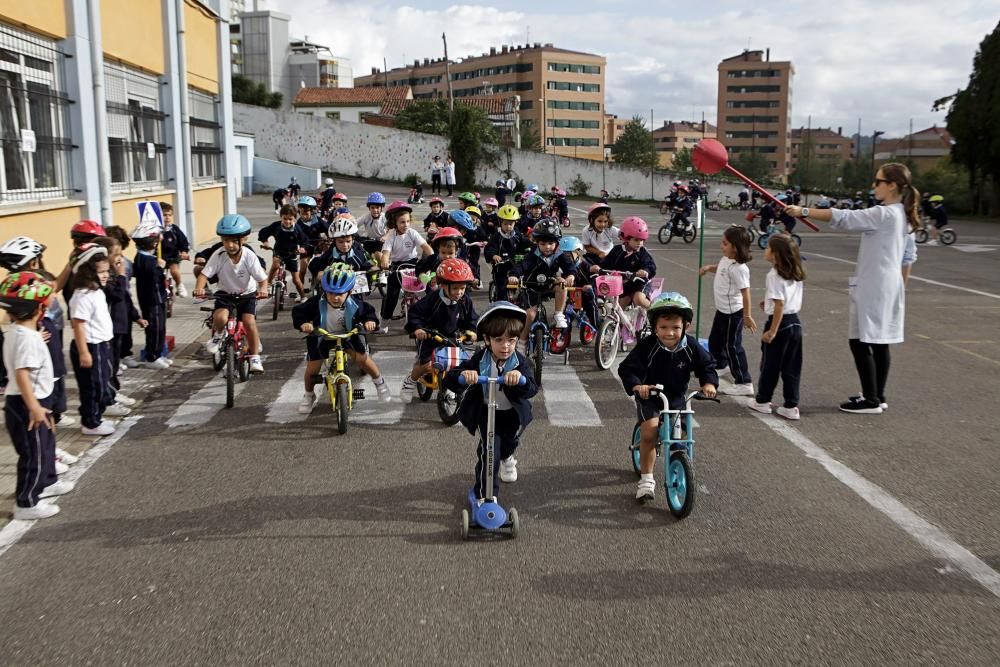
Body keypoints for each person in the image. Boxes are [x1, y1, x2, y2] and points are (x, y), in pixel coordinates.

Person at [784, 163, 917, 414]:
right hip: (889, 285)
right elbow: (909, 258)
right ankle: (877, 394)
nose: (874, 186)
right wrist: (899, 289)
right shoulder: (904, 215)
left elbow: (845, 218)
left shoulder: (884, 214)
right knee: (879, 341)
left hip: (875, 284)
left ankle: (871, 400)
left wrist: (803, 210)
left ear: (892, 186)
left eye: (878, 182)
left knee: (860, 340)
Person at [617, 292, 718, 501]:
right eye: (663, 328)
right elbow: (627, 368)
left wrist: (708, 383)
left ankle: (680, 463)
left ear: (685, 327)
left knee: (680, 435)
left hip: (676, 398)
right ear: (655, 327)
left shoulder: (690, 346)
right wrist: (638, 385)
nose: (669, 333)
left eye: (675, 328)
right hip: (651, 396)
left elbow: (706, 364)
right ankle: (646, 480)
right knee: (649, 433)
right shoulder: (648, 345)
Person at [443, 301, 538, 501]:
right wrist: (463, 375)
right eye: (499, 340)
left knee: (509, 443)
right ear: (487, 339)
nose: (506, 346)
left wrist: (519, 379)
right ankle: (486, 497)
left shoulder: (519, 362)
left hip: (511, 413)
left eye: (511, 340)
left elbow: (531, 388)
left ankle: (508, 457)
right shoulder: (480, 359)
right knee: (488, 454)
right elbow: (452, 378)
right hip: (487, 414)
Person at [1, 272, 75, 519]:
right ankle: (27, 502)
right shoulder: (27, 340)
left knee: (45, 446)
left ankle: (48, 481)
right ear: (39, 309)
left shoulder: (18, 333)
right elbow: (22, 373)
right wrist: (34, 407)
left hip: (35, 399)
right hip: (27, 403)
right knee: (33, 454)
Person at [293, 263, 389, 412]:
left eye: (340, 294)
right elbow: (299, 312)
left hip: (348, 336)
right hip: (322, 337)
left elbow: (368, 312)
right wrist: (304, 323)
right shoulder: (317, 302)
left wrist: (370, 322)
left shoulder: (355, 304)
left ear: (349, 292)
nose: (335, 297)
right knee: (312, 368)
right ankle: (308, 394)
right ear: (325, 291)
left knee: (363, 359)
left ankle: (380, 384)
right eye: (330, 293)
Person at [194, 214, 269, 374]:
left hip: (247, 295)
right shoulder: (219, 255)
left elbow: (262, 279)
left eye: (234, 241)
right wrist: (199, 288)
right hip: (225, 294)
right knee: (220, 318)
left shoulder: (249, 256)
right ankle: (218, 335)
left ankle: (255, 357)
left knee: (249, 322)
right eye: (225, 240)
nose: (230, 245)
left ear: (243, 240)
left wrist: (263, 289)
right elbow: (204, 275)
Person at [400, 258, 478, 401]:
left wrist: (472, 331)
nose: (459, 292)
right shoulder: (432, 299)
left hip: (453, 337)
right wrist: (418, 329)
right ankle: (410, 382)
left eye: (463, 288)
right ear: (442, 285)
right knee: (426, 366)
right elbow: (414, 314)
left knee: (461, 363)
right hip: (430, 336)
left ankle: (452, 386)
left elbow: (471, 319)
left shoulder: (465, 301)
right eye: (455, 288)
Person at [747, 235, 805, 420]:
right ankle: (791, 404)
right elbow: (784, 300)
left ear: (776, 254)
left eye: (768, 248)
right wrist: (769, 302)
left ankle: (763, 401)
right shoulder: (795, 271)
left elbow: (780, 305)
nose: (765, 250)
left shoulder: (774, 275)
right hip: (795, 322)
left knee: (770, 365)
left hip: (780, 324)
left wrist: (772, 331)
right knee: (792, 367)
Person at [699, 226, 757, 396]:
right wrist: (709, 268)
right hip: (722, 310)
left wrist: (747, 315)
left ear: (736, 247)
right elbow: (721, 267)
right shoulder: (726, 259)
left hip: (734, 313)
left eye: (724, 243)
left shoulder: (740, 269)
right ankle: (721, 365)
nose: (721, 246)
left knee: (733, 345)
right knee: (715, 342)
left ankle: (744, 381)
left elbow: (746, 292)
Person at [68, 244, 118, 436]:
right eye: (101, 272)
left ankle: (96, 415)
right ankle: (90, 422)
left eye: (107, 271)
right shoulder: (82, 295)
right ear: (88, 273)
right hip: (90, 346)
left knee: (101, 382)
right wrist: (84, 352)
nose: (106, 275)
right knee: (92, 386)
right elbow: (78, 325)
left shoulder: (96, 291)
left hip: (100, 344)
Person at [508, 218, 575, 346]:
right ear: (537, 243)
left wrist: (571, 275)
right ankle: (522, 340)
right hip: (531, 287)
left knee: (561, 283)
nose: (547, 247)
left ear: (557, 243)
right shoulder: (533, 254)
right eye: (543, 244)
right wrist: (514, 275)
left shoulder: (559, 254)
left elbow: (569, 266)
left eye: (551, 243)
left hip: (548, 285)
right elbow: (522, 266)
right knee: (530, 314)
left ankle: (558, 314)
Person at [379, 201, 433, 324]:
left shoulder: (412, 233)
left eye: (408, 221)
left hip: (413, 264)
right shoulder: (392, 235)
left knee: (429, 287)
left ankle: (433, 313)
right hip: (397, 266)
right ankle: (384, 320)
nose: (406, 225)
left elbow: (426, 247)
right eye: (402, 222)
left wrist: (433, 258)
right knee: (392, 295)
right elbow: (386, 252)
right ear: (394, 223)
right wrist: (384, 262)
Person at [589, 216, 657, 310]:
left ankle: (655, 311)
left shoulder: (642, 253)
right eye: (636, 240)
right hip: (623, 284)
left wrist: (645, 271)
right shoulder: (617, 250)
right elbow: (606, 264)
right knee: (620, 305)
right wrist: (598, 268)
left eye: (642, 240)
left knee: (638, 299)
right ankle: (621, 324)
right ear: (626, 238)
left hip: (639, 283)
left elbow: (650, 265)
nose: (640, 243)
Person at [131, 222, 171, 370]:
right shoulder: (146, 260)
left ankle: (158, 353)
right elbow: (154, 278)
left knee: (161, 327)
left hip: (157, 298)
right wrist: (160, 267)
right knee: (154, 328)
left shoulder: (147, 258)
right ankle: (151, 356)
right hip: (152, 300)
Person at [258, 204, 310, 303]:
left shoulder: (297, 229)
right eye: (285, 219)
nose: (287, 221)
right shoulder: (276, 226)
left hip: (292, 254)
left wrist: (302, 248)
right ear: (281, 217)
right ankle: (268, 284)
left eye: (290, 219)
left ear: (295, 218)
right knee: (276, 264)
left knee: (296, 279)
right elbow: (263, 232)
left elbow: (305, 240)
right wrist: (265, 242)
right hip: (278, 251)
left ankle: (303, 296)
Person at [485, 205, 529, 299]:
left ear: (515, 223)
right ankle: (501, 304)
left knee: (525, 285)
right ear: (500, 223)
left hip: (516, 265)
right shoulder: (496, 237)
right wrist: (493, 255)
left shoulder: (517, 235)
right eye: (505, 224)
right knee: (502, 287)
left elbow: (526, 244)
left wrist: (532, 247)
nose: (508, 227)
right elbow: (490, 248)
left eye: (511, 224)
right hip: (501, 266)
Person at [159, 203, 191, 298]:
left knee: (174, 270)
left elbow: (183, 241)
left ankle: (179, 285)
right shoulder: (155, 230)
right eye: (164, 215)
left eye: (169, 215)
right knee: (156, 274)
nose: (167, 218)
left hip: (172, 256)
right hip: (159, 257)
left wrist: (184, 252)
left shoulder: (174, 229)